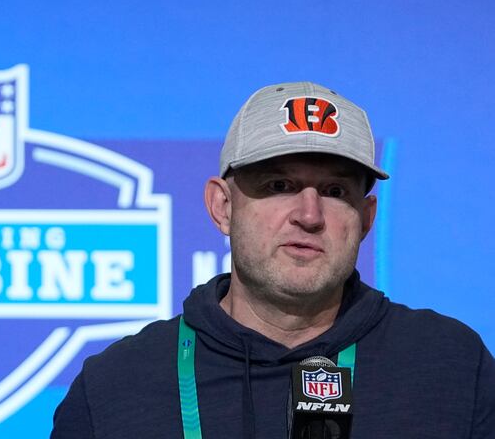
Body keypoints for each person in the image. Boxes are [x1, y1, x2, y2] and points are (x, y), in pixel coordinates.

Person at [51, 82, 495, 438]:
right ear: (223, 207)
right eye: (279, 186)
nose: (309, 215)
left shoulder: (452, 366)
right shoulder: (115, 386)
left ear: (365, 219)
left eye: (335, 191)